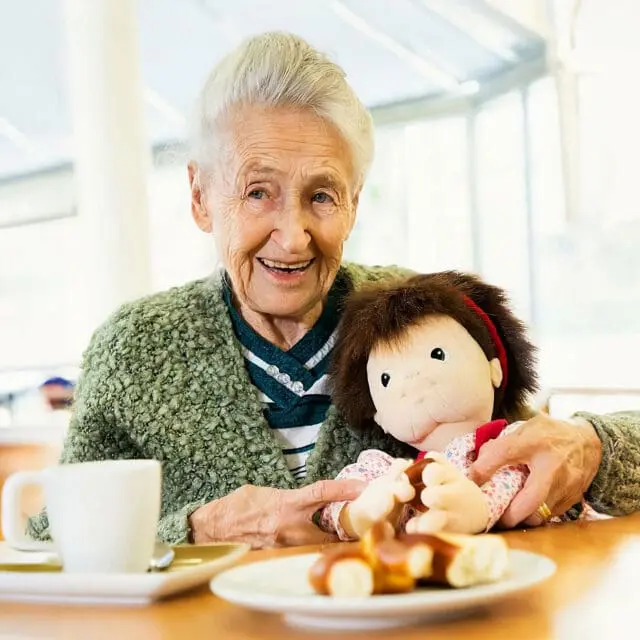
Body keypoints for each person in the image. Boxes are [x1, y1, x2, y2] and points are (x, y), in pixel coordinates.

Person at [27, 32, 640, 548]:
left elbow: (527, 451)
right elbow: (43, 539)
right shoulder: (134, 349)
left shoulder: (413, 314)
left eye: (321, 195)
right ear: (200, 198)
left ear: (353, 205)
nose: (292, 237)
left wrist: (592, 445)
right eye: (257, 191)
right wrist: (192, 529)